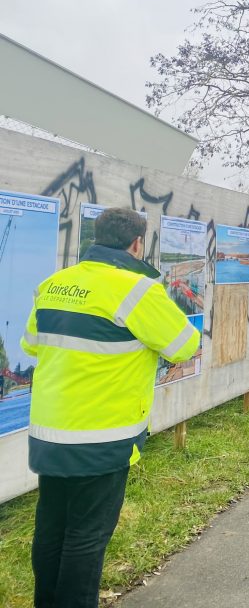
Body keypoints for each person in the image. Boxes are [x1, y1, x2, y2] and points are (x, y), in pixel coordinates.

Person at [22, 208, 200, 608]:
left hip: (49, 432)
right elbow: (184, 345)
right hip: (102, 436)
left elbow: (32, 343)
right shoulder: (137, 290)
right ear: (137, 244)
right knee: (86, 536)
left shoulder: (54, 284)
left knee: (51, 529)